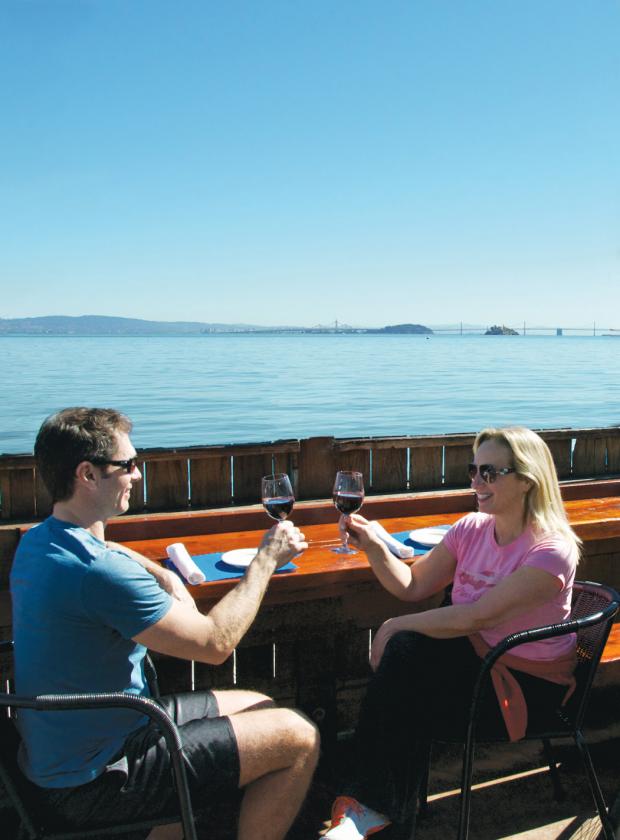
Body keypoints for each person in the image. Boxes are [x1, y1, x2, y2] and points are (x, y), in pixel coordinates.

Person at [10, 407, 319, 840]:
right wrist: (266, 559)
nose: (137, 474)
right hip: (97, 779)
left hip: (62, 757)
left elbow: (101, 554)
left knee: (260, 705)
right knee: (298, 735)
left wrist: (164, 574)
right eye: (127, 465)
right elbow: (214, 645)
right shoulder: (98, 572)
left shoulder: (39, 542)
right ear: (87, 474)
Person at [323, 426, 580, 840]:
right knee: (405, 689)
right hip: (478, 663)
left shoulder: (551, 551)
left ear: (528, 479)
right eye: (473, 470)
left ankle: (366, 810)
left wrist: (391, 627)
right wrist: (372, 545)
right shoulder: (471, 529)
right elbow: (412, 586)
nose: (476, 481)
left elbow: (476, 616)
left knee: (404, 675)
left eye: (490, 473)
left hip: (525, 688)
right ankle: (372, 814)